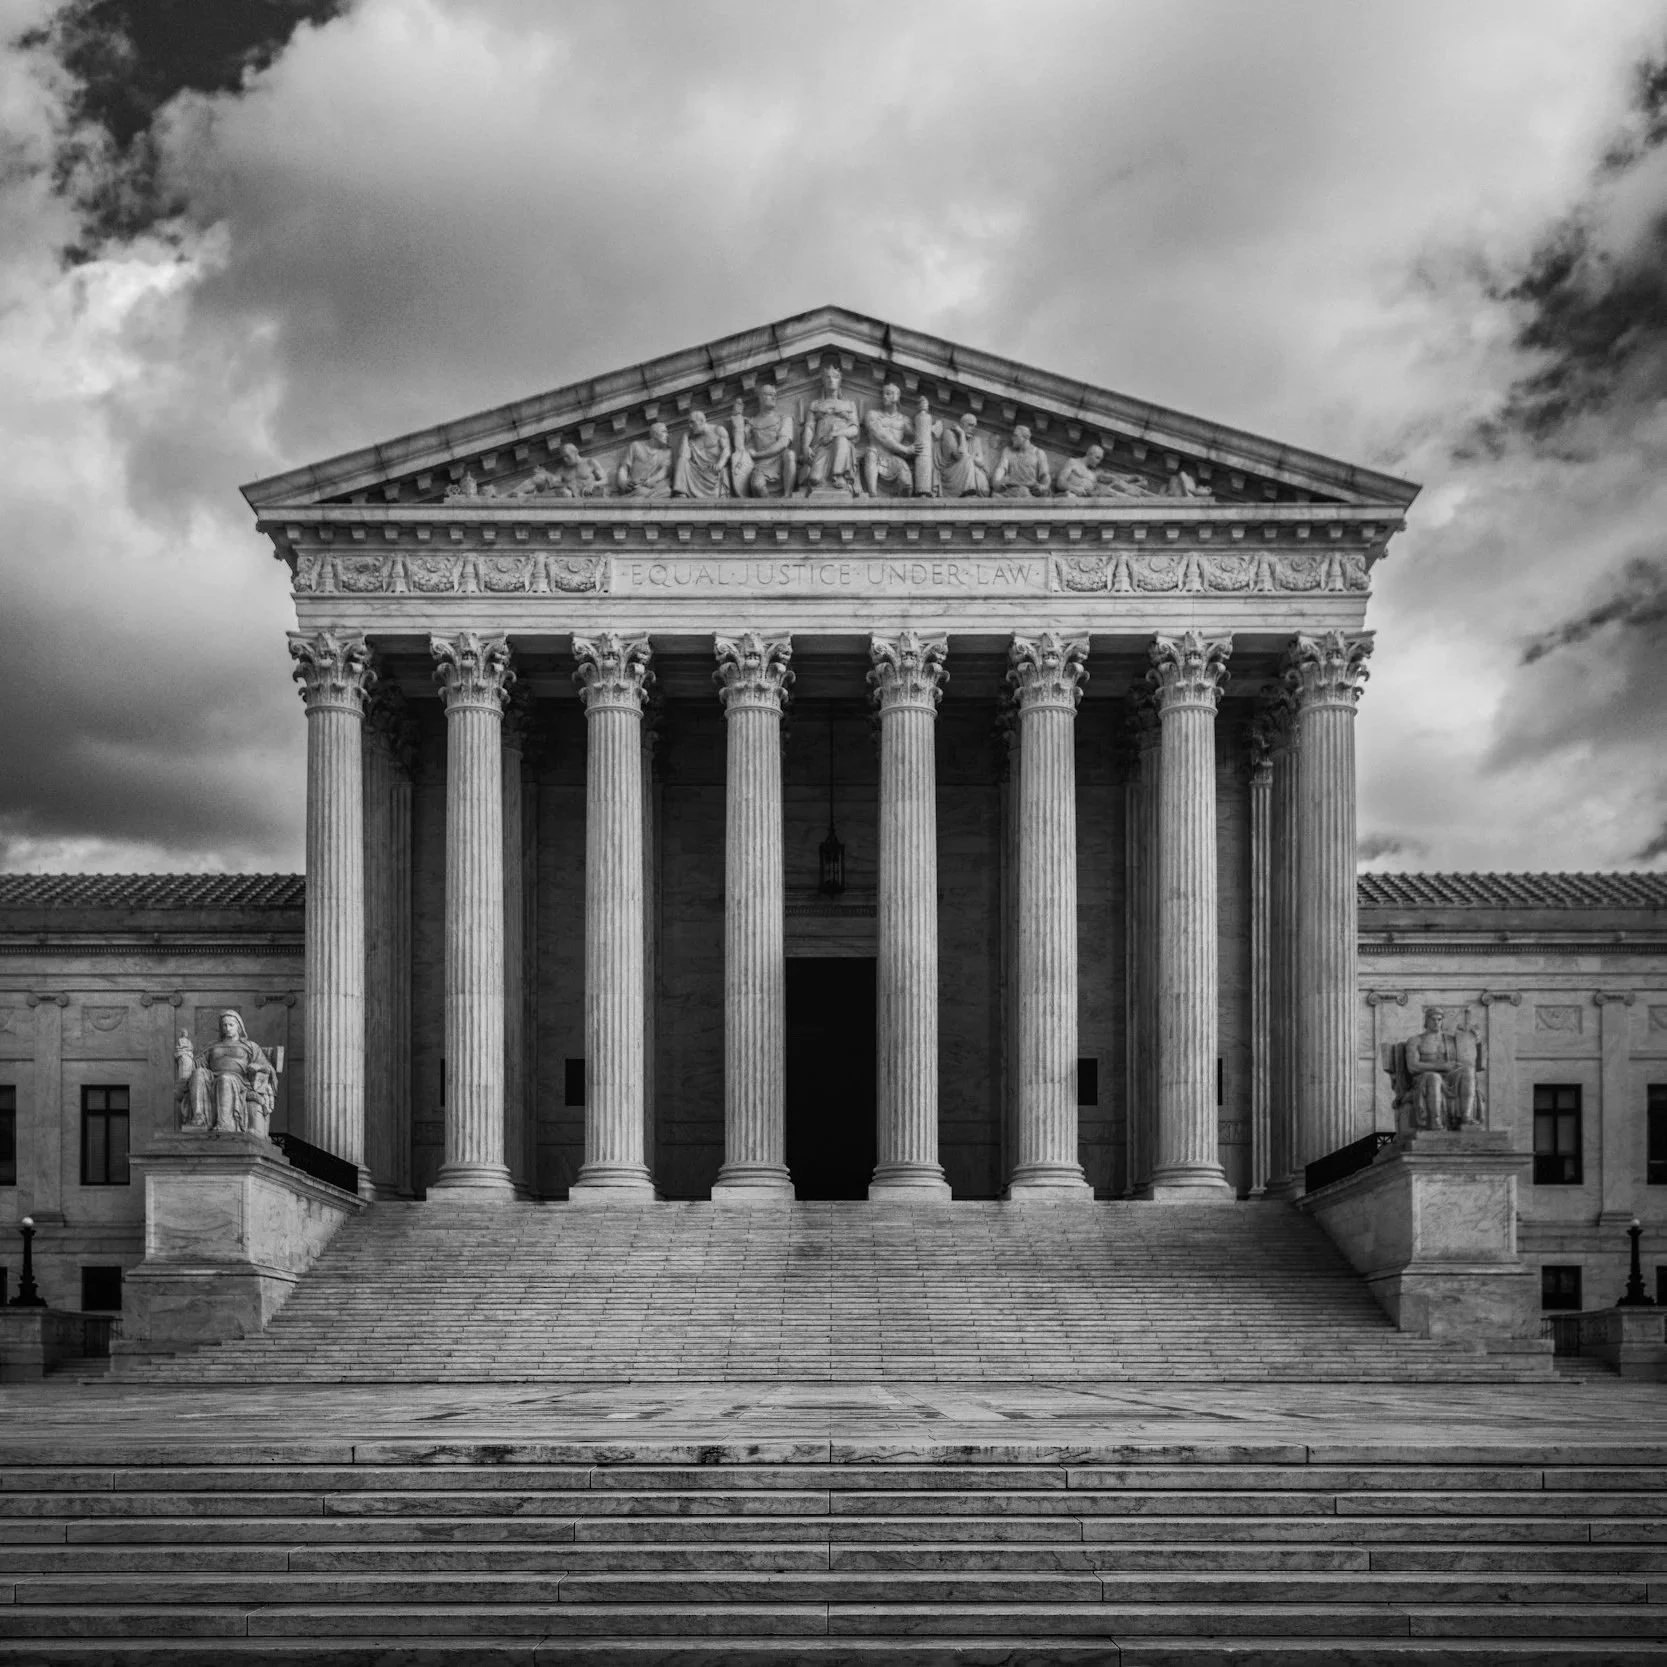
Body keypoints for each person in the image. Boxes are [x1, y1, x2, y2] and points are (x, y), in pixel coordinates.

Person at [176, 1012, 278, 1138]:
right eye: (224, 1025)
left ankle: (225, 1124)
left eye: (231, 1024)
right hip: (212, 1076)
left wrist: (258, 1066)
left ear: (239, 1027)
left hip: (240, 1081)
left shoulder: (250, 1046)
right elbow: (196, 1066)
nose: (227, 1028)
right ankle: (198, 1118)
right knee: (198, 1074)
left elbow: (267, 1067)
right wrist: (185, 1054)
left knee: (225, 1079)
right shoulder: (213, 1046)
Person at [799, 366, 861, 495]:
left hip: (841, 445)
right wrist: (805, 447)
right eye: (827, 377)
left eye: (835, 377)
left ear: (840, 381)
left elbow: (855, 430)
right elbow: (809, 427)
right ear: (822, 380)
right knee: (814, 479)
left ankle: (838, 475)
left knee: (841, 440)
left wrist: (834, 434)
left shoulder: (849, 405)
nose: (831, 380)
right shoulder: (815, 405)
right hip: (821, 445)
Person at [731, 385, 797, 497]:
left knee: (790, 455)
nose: (774, 398)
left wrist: (758, 454)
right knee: (757, 485)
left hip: (780, 461)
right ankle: (770, 508)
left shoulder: (784, 418)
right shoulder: (752, 423)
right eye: (769, 395)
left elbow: (783, 443)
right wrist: (737, 417)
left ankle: (787, 496)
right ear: (760, 398)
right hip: (760, 465)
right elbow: (740, 445)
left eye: (775, 395)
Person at [861, 383, 924, 497]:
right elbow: (882, 437)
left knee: (907, 484)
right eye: (884, 394)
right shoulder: (873, 415)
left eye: (889, 394)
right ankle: (872, 494)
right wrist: (906, 449)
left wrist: (926, 420)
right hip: (876, 456)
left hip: (893, 459)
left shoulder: (904, 420)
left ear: (897, 396)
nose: (884, 397)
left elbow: (919, 436)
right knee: (871, 452)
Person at [672, 410, 732, 499]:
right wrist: (685, 436)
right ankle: (681, 492)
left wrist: (720, 464)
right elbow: (684, 456)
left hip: (714, 471)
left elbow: (726, 450)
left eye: (692, 422)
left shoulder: (718, 430)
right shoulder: (691, 437)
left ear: (702, 421)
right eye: (689, 423)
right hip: (697, 471)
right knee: (683, 462)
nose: (690, 426)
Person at [932, 412, 990, 498]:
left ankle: (971, 492)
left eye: (975, 426)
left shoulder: (975, 440)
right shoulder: (948, 434)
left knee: (981, 479)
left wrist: (972, 457)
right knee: (967, 459)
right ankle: (969, 492)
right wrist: (962, 434)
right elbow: (960, 455)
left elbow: (981, 462)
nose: (973, 429)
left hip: (964, 470)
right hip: (949, 473)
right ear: (962, 424)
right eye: (970, 425)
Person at [991, 425, 1052, 497]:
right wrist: (996, 481)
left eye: (1015, 435)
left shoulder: (1038, 453)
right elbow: (1001, 469)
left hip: (1030, 491)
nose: (1012, 438)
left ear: (1025, 438)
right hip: (1009, 490)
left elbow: (1045, 475)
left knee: (1024, 492)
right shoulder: (1008, 451)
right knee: (995, 496)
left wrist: (1044, 486)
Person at [616, 422, 673, 498]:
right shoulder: (636, 446)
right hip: (636, 486)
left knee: (667, 490)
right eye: (664, 431)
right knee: (641, 492)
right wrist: (623, 483)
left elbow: (664, 471)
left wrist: (651, 480)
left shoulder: (667, 452)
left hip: (654, 488)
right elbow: (624, 468)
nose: (667, 435)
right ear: (654, 433)